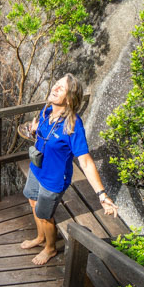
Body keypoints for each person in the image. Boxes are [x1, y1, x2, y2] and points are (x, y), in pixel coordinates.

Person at [21, 73, 119, 265]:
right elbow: (44, 133)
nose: (54, 88)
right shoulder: (47, 110)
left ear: (69, 98)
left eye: (61, 88)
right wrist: (34, 130)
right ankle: (40, 238)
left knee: (44, 214)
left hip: (54, 179)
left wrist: (102, 195)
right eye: (56, 84)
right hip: (37, 167)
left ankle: (50, 248)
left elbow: (86, 162)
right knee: (32, 200)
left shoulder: (73, 125)